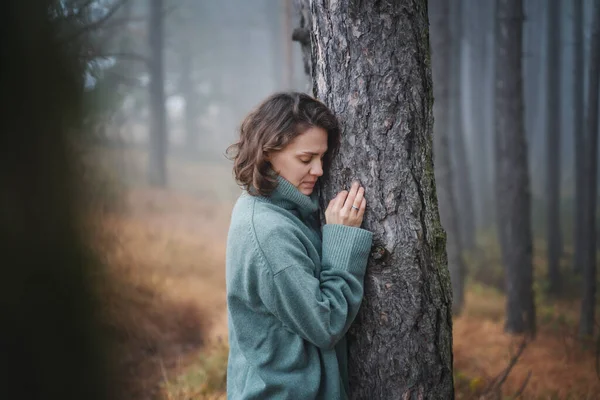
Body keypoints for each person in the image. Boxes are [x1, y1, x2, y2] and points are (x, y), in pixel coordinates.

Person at [225, 92, 372, 399]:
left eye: (323, 157)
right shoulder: (269, 233)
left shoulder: (275, 206)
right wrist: (341, 241)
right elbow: (325, 324)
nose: (318, 171)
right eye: (305, 159)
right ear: (268, 153)